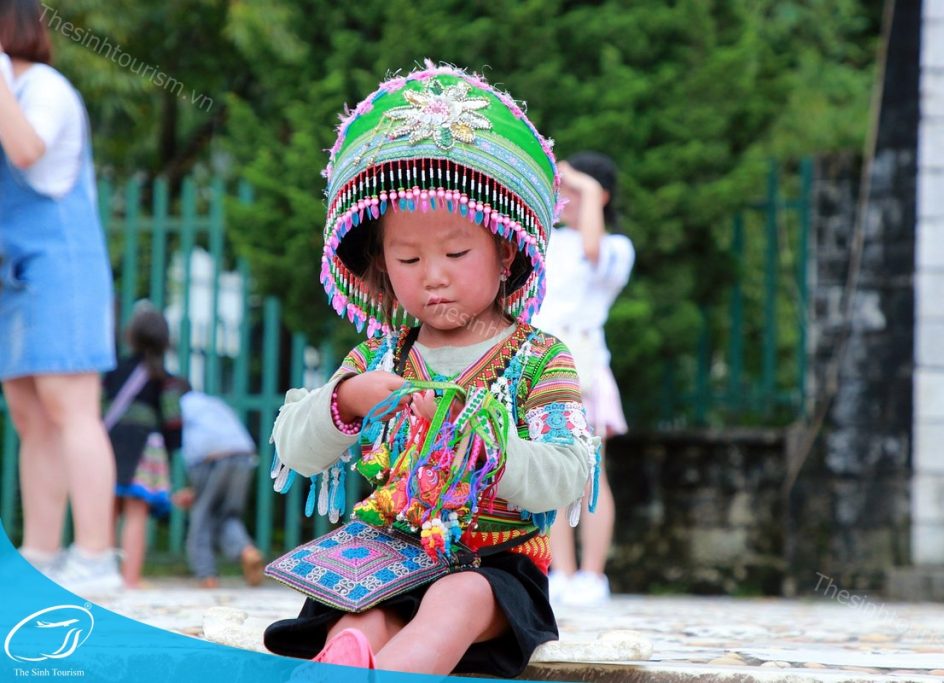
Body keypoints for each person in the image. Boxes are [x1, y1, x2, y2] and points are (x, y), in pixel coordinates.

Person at [261, 64, 599, 678]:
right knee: (358, 616)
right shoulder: (377, 358)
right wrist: (348, 401)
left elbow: (569, 470)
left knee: (457, 597)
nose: (433, 274)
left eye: (456, 252)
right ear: (382, 267)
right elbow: (293, 448)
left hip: (494, 564)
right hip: (382, 558)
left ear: (505, 250)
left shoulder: (538, 358)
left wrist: (488, 450)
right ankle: (345, 657)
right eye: (409, 257)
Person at [0, 0, 121, 592]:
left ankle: (97, 557)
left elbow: (25, 151)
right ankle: (40, 555)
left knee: (71, 408)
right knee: (29, 416)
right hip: (13, 272)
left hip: (63, 266)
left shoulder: (41, 86)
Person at [532, 152, 635, 607]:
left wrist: (587, 189)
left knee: (592, 471)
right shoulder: (547, 243)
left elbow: (593, 252)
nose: (566, 199)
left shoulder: (617, 248)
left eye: (577, 190)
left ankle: (593, 575)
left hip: (586, 363)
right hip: (544, 363)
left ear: (600, 195)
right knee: (553, 470)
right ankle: (561, 572)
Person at [103, 303, 190, 589]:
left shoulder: (113, 370)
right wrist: (170, 447)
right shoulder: (165, 379)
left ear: (132, 336)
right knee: (136, 514)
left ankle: (102, 574)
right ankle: (130, 580)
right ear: (165, 340)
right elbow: (173, 422)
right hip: (146, 447)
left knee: (107, 510)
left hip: (110, 443)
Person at [172, 390, 264, 589]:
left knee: (202, 516)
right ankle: (247, 551)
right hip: (244, 454)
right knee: (227, 515)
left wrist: (194, 491)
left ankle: (207, 576)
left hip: (211, 457)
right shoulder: (214, 403)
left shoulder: (178, 404)